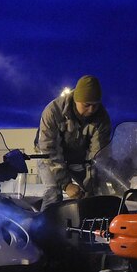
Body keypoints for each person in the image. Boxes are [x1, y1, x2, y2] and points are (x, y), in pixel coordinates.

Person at [36, 75, 112, 207]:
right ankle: (45, 226)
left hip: (78, 159)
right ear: (77, 99)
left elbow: (97, 156)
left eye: (95, 105)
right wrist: (67, 184)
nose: (92, 110)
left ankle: (89, 224)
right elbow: (49, 150)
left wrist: (91, 183)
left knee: (95, 192)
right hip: (48, 157)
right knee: (54, 192)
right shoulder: (53, 112)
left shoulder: (102, 119)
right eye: (87, 105)